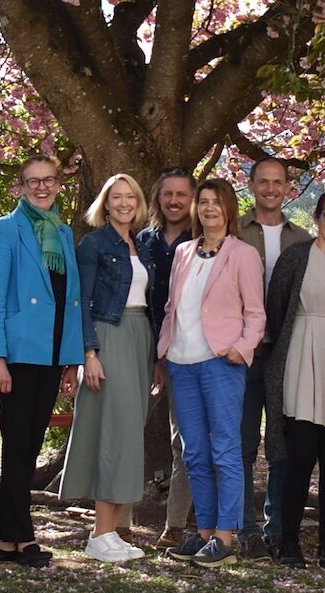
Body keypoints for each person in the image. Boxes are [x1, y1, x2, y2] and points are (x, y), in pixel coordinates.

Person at [0, 155, 84, 569]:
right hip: (19, 355)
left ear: (59, 185)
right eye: (32, 181)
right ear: (20, 187)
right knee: (18, 446)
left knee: (28, 445)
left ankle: (4, 540)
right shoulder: (3, 230)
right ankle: (21, 538)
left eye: (49, 180)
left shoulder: (63, 232)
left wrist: (71, 360)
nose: (41, 187)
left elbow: (70, 303)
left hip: (52, 354)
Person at [158, 178, 265, 568]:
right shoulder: (184, 252)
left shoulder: (243, 254)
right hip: (181, 364)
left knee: (225, 451)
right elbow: (173, 308)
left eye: (216, 202)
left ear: (229, 208)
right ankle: (204, 532)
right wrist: (163, 353)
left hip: (221, 363)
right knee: (194, 454)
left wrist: (242, 347)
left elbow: (256, 312)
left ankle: (225, 535)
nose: (208, 209)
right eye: (202, 202)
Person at [264, 191, 325, 568]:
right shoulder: (296, 257)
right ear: (318, 217)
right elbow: (277, 309)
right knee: (300, 455)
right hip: (301, 358)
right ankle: (289, 542)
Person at [60, 174, 156, 563]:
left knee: (131, 432)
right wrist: (90, 353)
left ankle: (111, 531)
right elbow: (80, 301)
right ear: (105, 202)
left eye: (130, 196)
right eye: (116, 197)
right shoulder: (94, 244)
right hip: (109, 334)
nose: (123, 203)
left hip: (139, 335)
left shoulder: (143, 244)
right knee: (114, 431)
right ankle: (99, 534)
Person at [234, 156, 308, 558]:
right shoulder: (234, 233)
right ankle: (245, 528)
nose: (270, 188)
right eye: (263, 181)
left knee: (280, 444)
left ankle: (277, 525)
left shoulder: (302, 240)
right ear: (251, 185)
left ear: (287, 188)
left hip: (286, 355)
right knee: (243, 443)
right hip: (243, 355)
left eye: (278, 182)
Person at [137, 167, 198, 547]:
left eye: (182, 194)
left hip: (183, 350)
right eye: (167, 193)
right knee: (128, 432)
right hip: (139, 346)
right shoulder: (141, 241)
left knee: (184, 441)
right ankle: (119, 521)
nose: (174, 200)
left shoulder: (204, 242)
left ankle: (174, 523)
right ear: (158, 197)